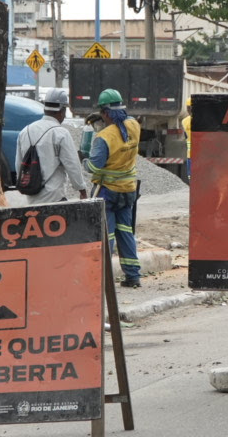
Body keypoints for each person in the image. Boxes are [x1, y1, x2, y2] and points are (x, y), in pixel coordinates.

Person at [87, 88, 142, 288]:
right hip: (128, 191)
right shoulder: (134, 125)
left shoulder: (104, 136)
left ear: (105, 113)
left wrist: (84, 158)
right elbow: (126, 121)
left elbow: (94, 166)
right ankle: (133, 276)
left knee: (107, 234)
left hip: (108, 192)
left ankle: (103, 279)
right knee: (126, 232)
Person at [15, 87, 88, 205]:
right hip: (54, 198)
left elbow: (19, 166)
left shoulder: (25, 131)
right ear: (62, 110)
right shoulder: (60, 133)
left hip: (32, 198)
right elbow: (72, 165)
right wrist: (82, 191)